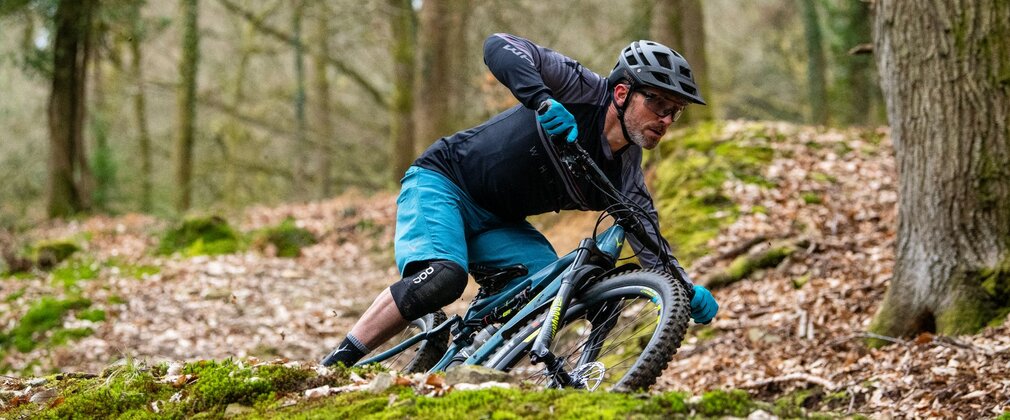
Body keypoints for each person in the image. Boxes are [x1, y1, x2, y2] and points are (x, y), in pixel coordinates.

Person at [321, 33, 719, 367]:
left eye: (675, 112)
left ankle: (468, 358)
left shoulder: (627, 178)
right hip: (443, 181)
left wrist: (682, 289)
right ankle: (334, 365)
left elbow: (649, 242)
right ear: (621, 92)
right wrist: (542, 100)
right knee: (444, 277)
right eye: (658, 105)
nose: (666, 120)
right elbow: (500, 45)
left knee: (554, 291)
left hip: (501, 223)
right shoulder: (579, 88)